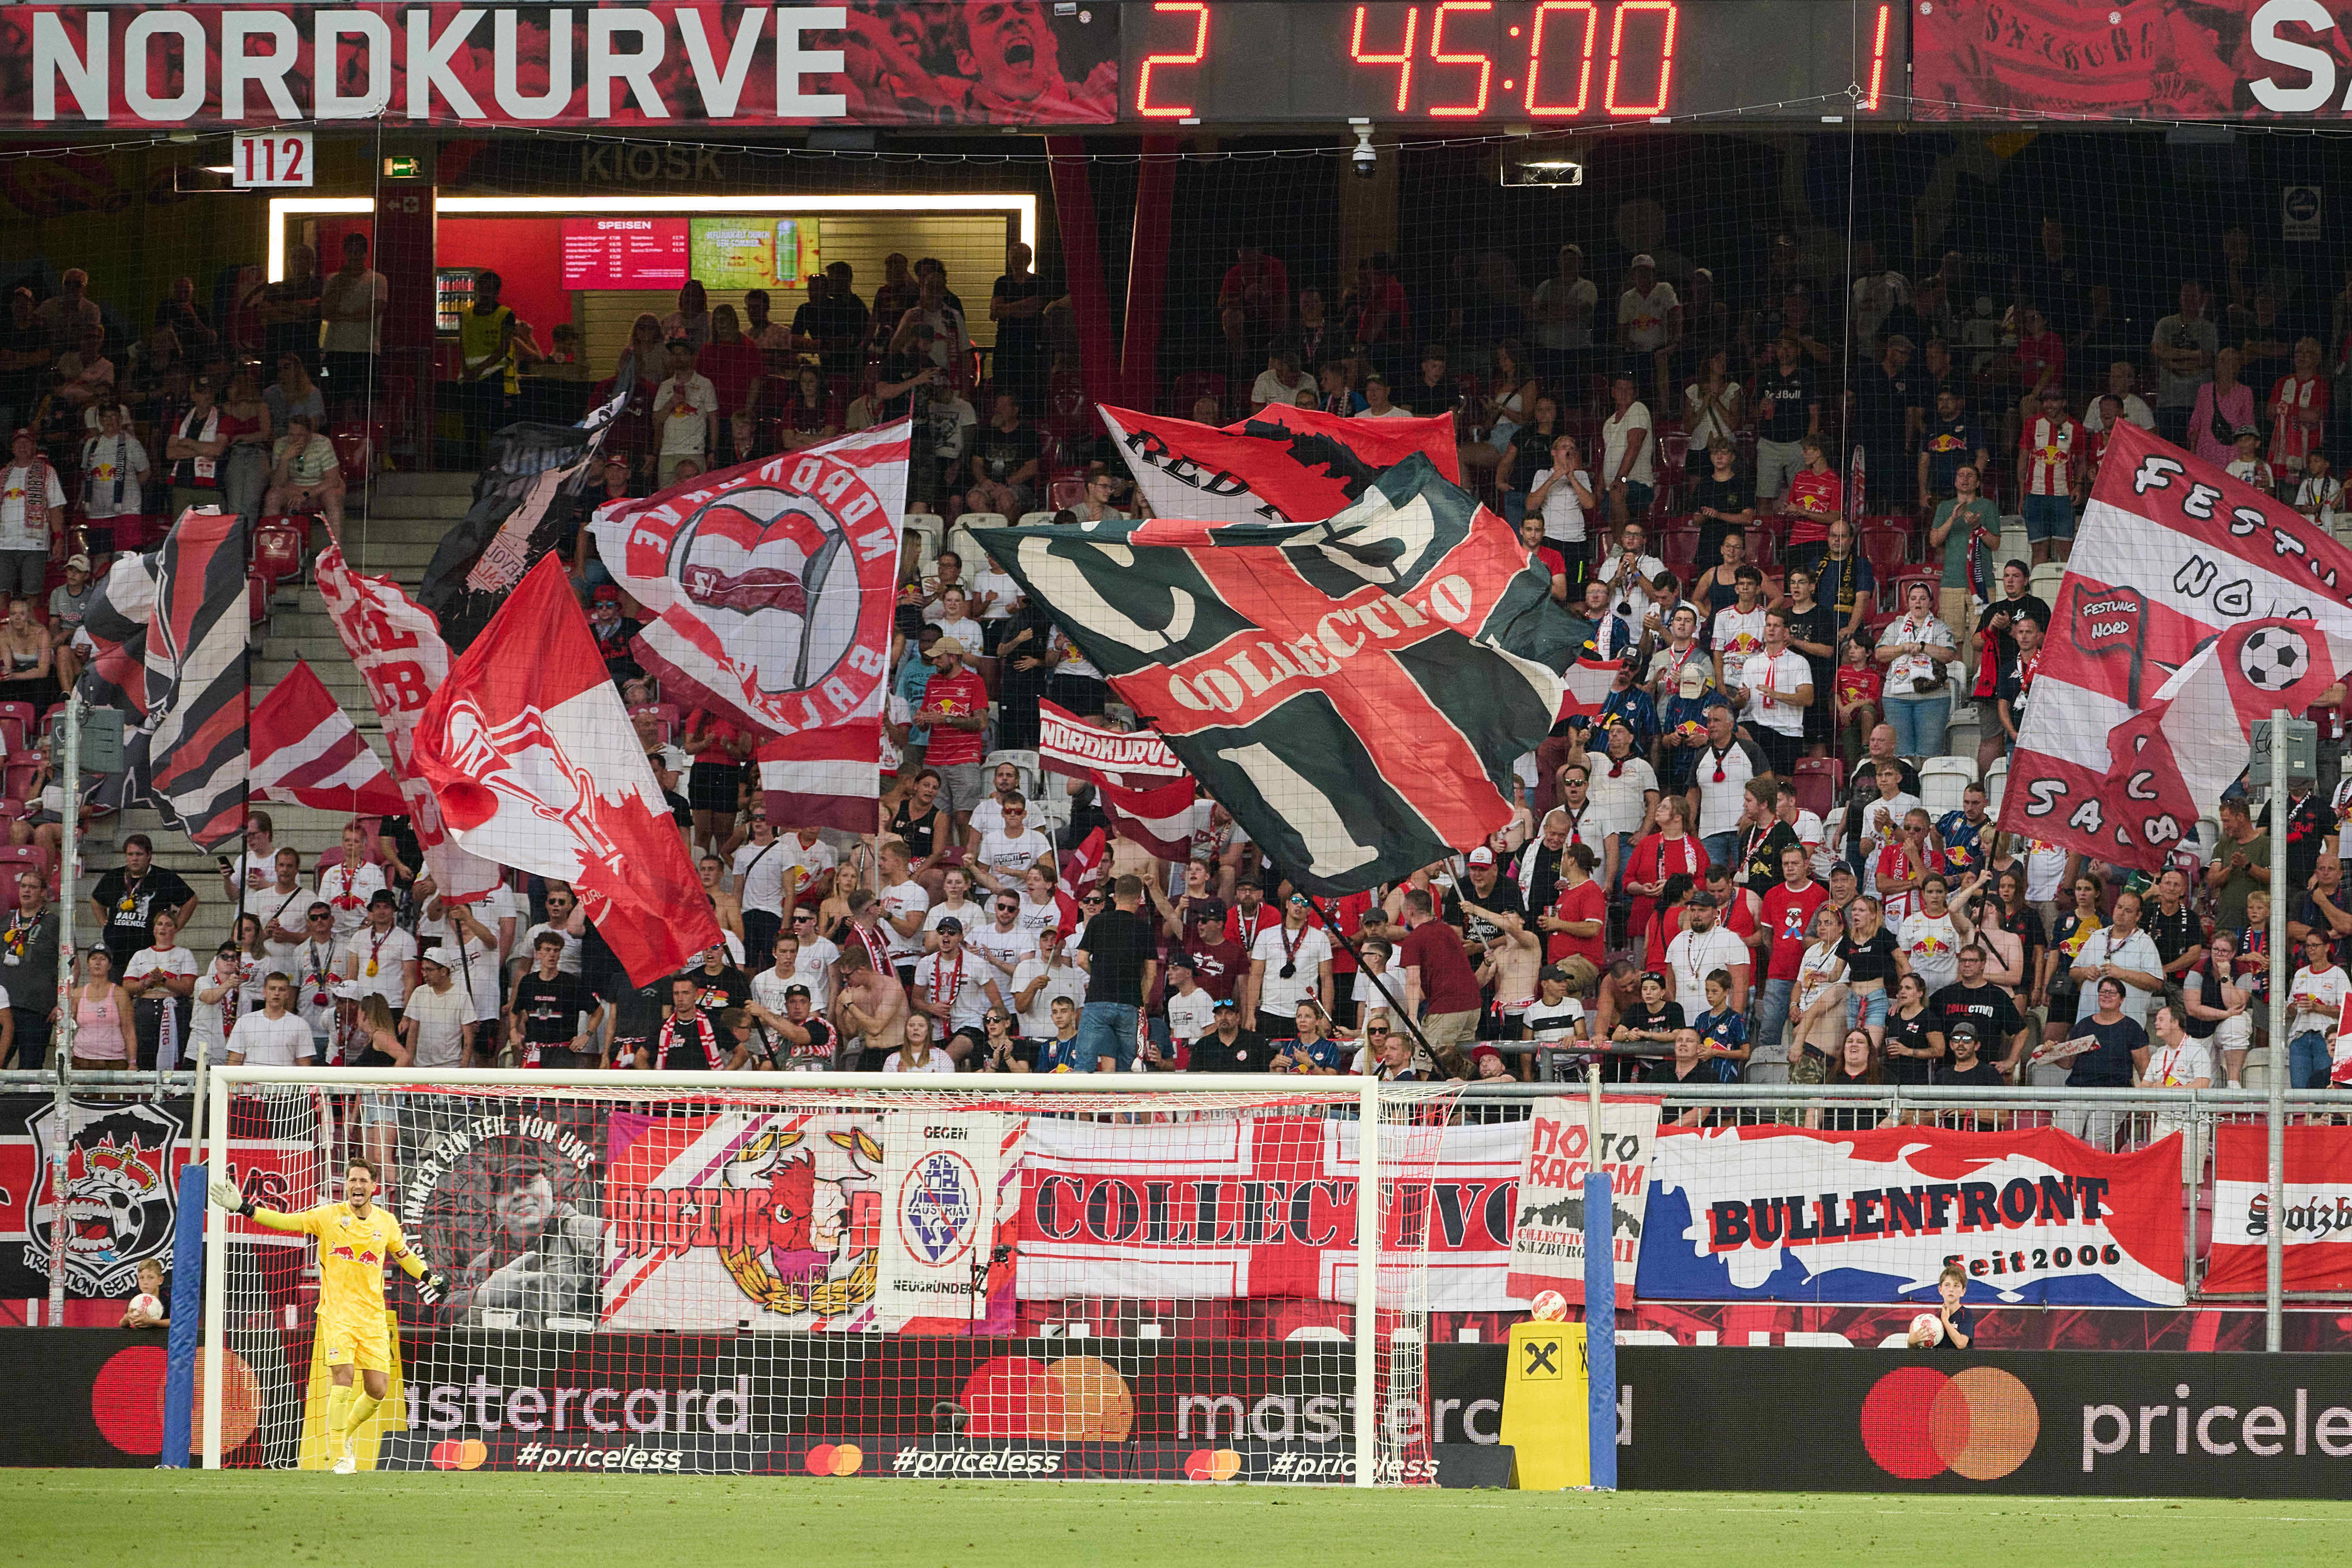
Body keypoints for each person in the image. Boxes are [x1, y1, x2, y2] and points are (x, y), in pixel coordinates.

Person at [207, 1157, 446, 1473]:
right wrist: (245, 1208)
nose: (357, 1186)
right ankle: (339, 1456)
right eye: (352, 1180)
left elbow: (403, 1255)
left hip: (373, 1319)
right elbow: (288, 1221)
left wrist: (428, 1276)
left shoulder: (386, 1222)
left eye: (363, 1181)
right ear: (345, 1185)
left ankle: (343, 1435)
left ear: (373, 1188)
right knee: (343, 1378)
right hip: (336, 1314)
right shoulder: (329, 1217)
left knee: (377, 1390)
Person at [1073, 875, 1157, 1072]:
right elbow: (1151, 973)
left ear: (1114, 897)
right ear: (1139, 898)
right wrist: (1142, 1000)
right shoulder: (1144, 929)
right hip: (1129, 1004)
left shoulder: (1097, 922)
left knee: (1084, 1064)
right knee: (1125, 1069)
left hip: (1097, 1001)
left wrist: (1100, 975)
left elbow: (1081, 960)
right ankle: (1120, 1102)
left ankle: (1081, 1102)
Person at [1874, 581, 1959, 764]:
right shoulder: (1895, 628)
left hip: (1933, 699)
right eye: (1913, 599)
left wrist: (1922, 647)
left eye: (1923, 598)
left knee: (1930, 756)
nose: (1918, 602)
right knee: (1900, 755)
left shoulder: (1940, 627)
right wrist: (1904, 648)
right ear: (1908, 602)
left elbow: (1949, 654)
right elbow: (1880, 653)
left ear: (1931, 602)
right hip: (1896, 699)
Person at [2060, 978, 2149, 1148]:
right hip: (2078, 1091)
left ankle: (2093, 1175)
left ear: (2122, 999)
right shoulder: (2083, 1026)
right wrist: (2053, 1053)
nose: (2106, 996)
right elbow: (2068, 1063)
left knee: (2097, 1144)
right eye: (2103, 992)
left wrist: (2147, 1099)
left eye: (2112, 993)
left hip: (2113, 1094)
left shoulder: (2132, 1028)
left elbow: (2144, 1069)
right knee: (2065, 1139)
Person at [2285, 928, 2349, 1090]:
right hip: (2300, 1037)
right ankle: (2302, 1116)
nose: (2311, 949)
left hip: (2326, 1038)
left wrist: (2317, 1008)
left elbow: (2347, 1011)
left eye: (2315, 945)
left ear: (2327, 947)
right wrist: (2294, 1007)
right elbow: (2290, 1008)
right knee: (2299, 1091)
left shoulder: (2338, 974)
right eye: (2307, 946)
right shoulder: (2301, 974)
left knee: (2324, 1088)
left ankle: (2322, 1116)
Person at [1905, 1262, 1975, 1349]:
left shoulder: (1966, 1314)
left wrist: (1946, 1321)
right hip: (1939, 1362)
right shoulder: (1934, 1320)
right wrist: (1912, 1342)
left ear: (1963, 1292)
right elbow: (1919, 1352)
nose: (1951, 1290)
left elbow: (1961, 1344)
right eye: (1947, 1285)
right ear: (1940, 1290)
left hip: (1961, 1362)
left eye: (1956, 1286)